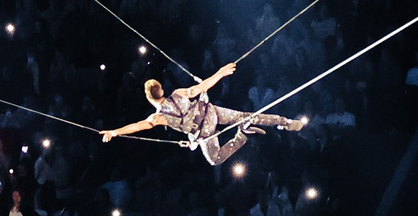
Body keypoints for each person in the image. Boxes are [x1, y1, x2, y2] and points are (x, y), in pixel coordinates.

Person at [99, 64, 306, 167]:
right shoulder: (178, 93)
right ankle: (284, 122)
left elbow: (136, 126)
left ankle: (242, 135)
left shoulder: (157, 117)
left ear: (149, 98)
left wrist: (114, 132)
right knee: (247, 115)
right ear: (161, 90)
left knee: (215, 160)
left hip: (203, 131)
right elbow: (202, 86)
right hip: (211, 112)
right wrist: (221, 73)